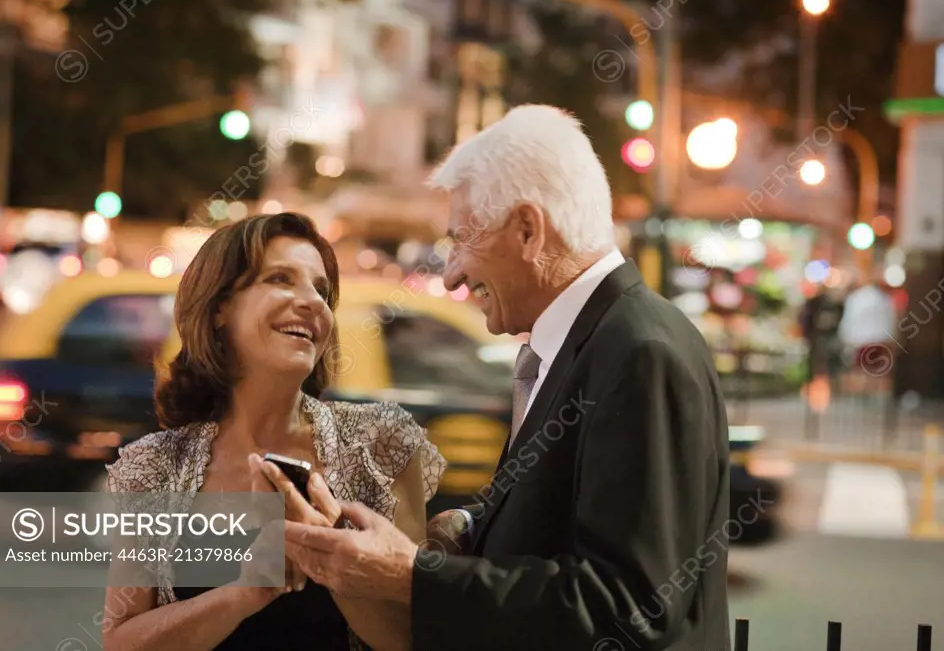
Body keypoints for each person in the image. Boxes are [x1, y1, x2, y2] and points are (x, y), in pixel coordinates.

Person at [274, 105, 732, 651]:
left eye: (461, 240)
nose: (451, 275)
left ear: (527, 230)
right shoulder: (595, 341)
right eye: (276, 281)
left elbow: (629, 607)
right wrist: (471, 526)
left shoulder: (638, 352)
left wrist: (408, 574)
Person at [100, 212, 445, 650]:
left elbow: (412, 639)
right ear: (220, 307)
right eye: (281, 279)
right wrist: (244, 593)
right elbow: (121, 640)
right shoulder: (156, 466)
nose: (313, 302)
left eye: (321, 291)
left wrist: (325, 556)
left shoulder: (382, 442)